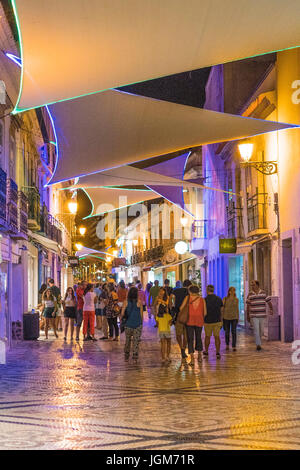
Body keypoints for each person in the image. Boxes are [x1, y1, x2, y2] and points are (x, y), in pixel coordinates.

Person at [180, 285, 206, 365]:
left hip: (189, 321)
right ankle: (200, 356)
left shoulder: (187, 298)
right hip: (199, 320)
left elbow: (181, 308)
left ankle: (192, 359)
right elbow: (205, 312)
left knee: (190, 339)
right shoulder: (202, 299)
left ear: (190, 291)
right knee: (198, 337)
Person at [246, 280, 273, 351]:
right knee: (256, 330)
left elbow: (269, 301)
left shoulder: (263, 293)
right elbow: (248, 305)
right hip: (254, 315)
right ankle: (258, 344)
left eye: (253, 285)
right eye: (251, 285)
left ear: (257, 285)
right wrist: (247, 315)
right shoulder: (250, 294)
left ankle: (259, 341)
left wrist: (271, 309)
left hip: (262, 315)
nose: (252, 286)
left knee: (261, 330)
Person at [120, 287, 143, 363]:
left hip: (128, 324)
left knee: (128, 340)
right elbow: (141, 315)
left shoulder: (125, 302)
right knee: (136, 341)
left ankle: (126, 355)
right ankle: (135, 356)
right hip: (137, 324)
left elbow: (122, 313)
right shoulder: (139, 302)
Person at [171, 279, 192, 360]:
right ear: (190, 285)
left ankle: (181, 348)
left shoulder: (176, 291)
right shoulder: (190, 293)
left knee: (178, 334)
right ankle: (184, 347)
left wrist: (171, 308)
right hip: (188, 316)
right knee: (186, 334)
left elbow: (171, 299)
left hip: (178, 315)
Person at [204, 285, 223, 359]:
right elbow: (222, 310)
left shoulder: (204, 300)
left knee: (207, 337)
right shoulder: (218, 299)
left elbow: (203, 311)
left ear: (207, 290)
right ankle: (217, 352)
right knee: (217, 337)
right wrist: (221, 320)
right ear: (213, 290)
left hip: (207, 321)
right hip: (217, 320)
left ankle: (206, 351)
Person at [155, 288, 172, 364]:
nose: (161, 292)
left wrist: (161, 301)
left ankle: (167, 356)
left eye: (163, 290)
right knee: (162, 342)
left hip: (166, 318)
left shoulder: (167, 298)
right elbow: (154, 306)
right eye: (160, 290)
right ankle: (163, 357)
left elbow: (168, 304)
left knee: (168, 341)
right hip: (160, 318)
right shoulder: (157, 298)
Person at [223, 287, 239, 351]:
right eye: (231, 291)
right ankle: (227, 345)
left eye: (234, 291)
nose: (233, 292)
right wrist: (221, 317)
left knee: (234, 332)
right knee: (227, 332)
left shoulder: (236, 299)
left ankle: (234, 346)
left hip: (234, 317)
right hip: (226, 317)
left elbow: (237, 309)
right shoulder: (225, 299)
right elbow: (222, 308)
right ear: (229, 292)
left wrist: (238, 317)